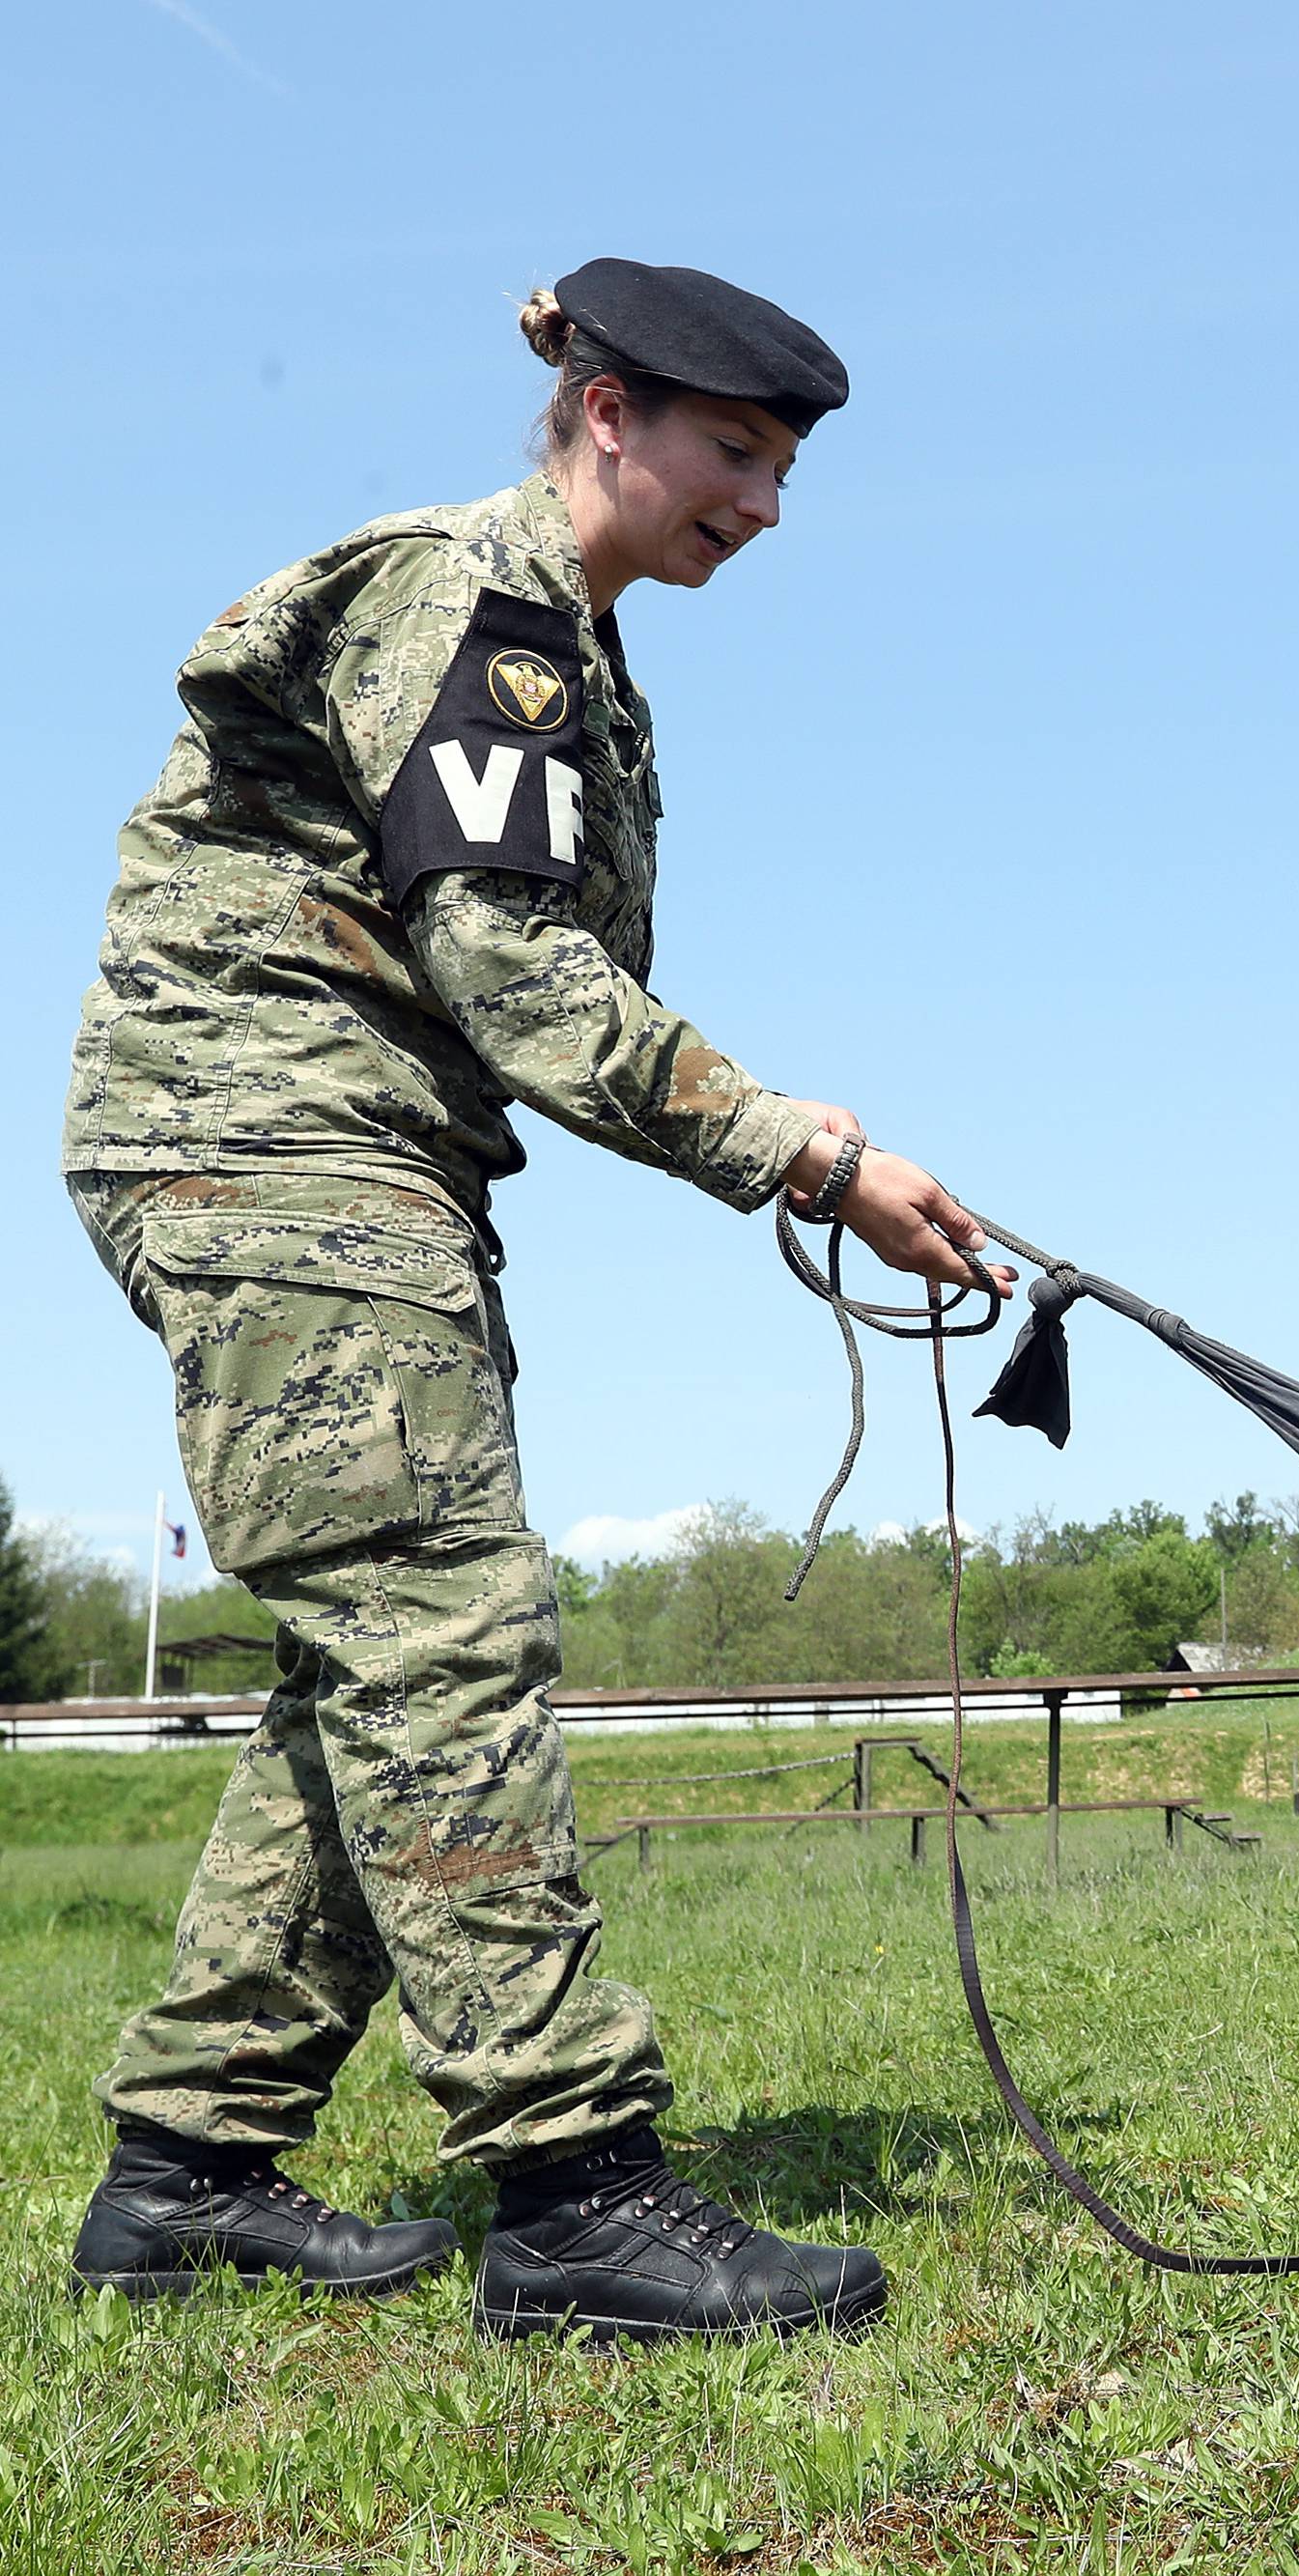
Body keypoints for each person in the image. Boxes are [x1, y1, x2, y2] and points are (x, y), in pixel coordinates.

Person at [62, 256, 1013, 2345]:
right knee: (447, 1634)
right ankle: (578, 2191)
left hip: (325, 1156)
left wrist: (804, 1141)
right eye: (732, 454)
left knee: (369, 1666)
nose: (760, 508)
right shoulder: (480, 612)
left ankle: (184, 2168)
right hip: (277, 1147)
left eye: (782, 470)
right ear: (604, 413)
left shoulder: (561, 641)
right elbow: (508, 970)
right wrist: (809, 1151)